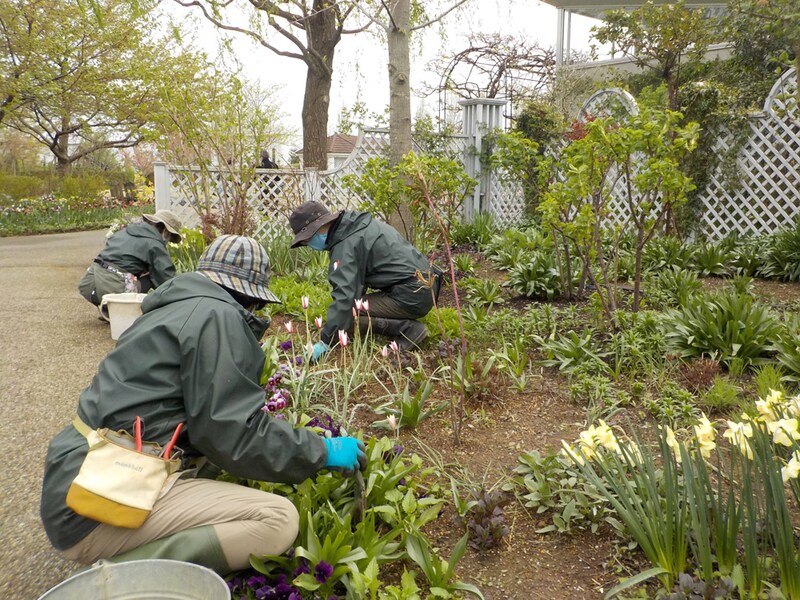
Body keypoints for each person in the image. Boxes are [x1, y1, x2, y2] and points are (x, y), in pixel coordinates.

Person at [42, 235, 366, 574]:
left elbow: (209, 424)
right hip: (97, 503)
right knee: (278, 519)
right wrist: (321, 451)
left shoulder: (171, 308)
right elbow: (233, 434)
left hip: (76, 475)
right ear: (248, 296)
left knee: (209, 464)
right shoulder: (218, 316)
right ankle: (114, 578)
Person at [288, 201, 442, 362]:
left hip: (412, 293)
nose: (308, 245)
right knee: (346, 315)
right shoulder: (356, 227)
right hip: (425, 286)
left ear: (319, 228)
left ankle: (409, 329)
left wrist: (325, 341)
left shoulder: (346, 244)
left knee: (351, 312)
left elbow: (345, 298)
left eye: (306, 240)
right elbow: (355, 284)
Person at [78, 209, 182, 310]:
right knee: (151, 277)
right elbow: (166, 278)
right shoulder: (155, 244)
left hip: (90, 283)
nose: (168, 241)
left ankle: (108, 308)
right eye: (170, 237)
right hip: (114, 287)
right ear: (165, 231)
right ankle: (117, 309)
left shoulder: (125, 232)